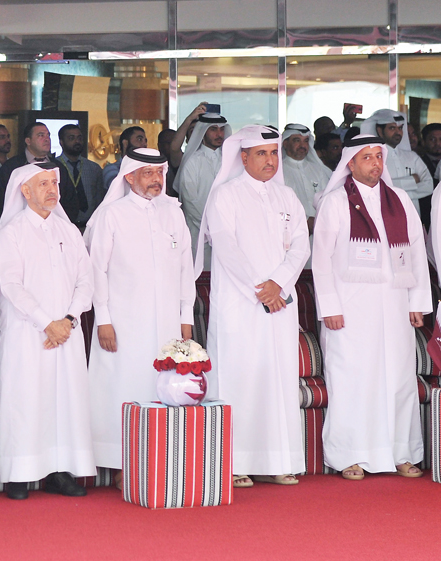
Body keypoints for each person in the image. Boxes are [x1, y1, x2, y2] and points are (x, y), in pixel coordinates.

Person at [197, 125, 310, 489]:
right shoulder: (225, 196)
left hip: (280, 302)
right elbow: (227, 248)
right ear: (242, 157)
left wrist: (279, 283)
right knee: (239, 377)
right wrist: (262, 289)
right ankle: (236, 462)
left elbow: (301, 246)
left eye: (273, 153)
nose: (270, 160)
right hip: (241, 305)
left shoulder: (287, 196)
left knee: (276, 379)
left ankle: (279, 460)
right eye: (261, 153)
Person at [314, 135, 431, 481]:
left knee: (398, 379)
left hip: (394, 307)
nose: (375, 164)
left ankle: (402, 453)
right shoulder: (335, 202)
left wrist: (417, 301)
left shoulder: (400, 201)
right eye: (366, 158)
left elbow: (416, 252)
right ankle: (348, 455)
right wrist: (330, 306)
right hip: (349, 312)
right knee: (353, 380)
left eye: (378, 157)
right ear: (350, 163)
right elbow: (320, 259)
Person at [84, 149, 194, 486]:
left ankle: (160, 461)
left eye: (159, 173)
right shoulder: (112, 215)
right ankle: (122, 464)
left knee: (161, 386)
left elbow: (185, 268)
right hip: (122, 322)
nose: (156, 180)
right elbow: (96, 269)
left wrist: (185, 318)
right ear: (129, 176)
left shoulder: (173, 214)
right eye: (147, 174)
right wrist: (103, 318)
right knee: (124, 385)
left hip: (166, 324)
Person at [0, 162, 95, 500]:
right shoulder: (13, 232)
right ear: (25, 191)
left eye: (55, 183)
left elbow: (85, 281)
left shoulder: (70, 232)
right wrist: (46, 323)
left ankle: (60, 472)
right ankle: (19, 475)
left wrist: (68, 319)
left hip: (67, 331)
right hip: (28, 332)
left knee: (65, 400)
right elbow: (11, 285)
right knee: (27, 398)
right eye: (44, 184)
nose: (52, 190)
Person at [0, 122, 75, 225]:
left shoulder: (58, 167)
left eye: (48, 135)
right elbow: (1, 202)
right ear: (28, 141)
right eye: (41, 135)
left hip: (54, 228)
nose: (47, 139)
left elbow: (71, 201)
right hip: (21, 229)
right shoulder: (12, 167)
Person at [175, 112, 230, 265]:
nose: (219, 134)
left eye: (221, 129)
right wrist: (212, 228)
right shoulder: (192, 162)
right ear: (202, 132)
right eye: (213, 129)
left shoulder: (230, 161)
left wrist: (225, 229)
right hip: (199, 233)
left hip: (227, 234)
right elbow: (190, 201)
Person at [360, 110, 433, 221]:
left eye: (400, 128)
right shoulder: (372, 159)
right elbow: (375, 188)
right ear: (380, 131)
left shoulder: (412, 157)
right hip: (385, 220)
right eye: (392, 128)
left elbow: (429, 186)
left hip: (413, 220)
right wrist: (411, 180)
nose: (398, 132)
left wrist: (395, 191)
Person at [282, 124, 330, 234]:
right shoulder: (279, 172)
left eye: (305, 141)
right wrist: (305, 220)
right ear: (285, 143)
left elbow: (328, 199)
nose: (302, 145)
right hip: (291, 232)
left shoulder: (318, 169)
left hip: (320, 230)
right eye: (297, 140)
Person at [57, 124, 105, 225]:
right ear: (61, 142)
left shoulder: (94, 168)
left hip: (90, 225)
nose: (77, 141)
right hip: (62, 225)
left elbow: (99, 200)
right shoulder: (55, 167)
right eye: (71, 138)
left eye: (79, 138)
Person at [101, 126, 148, 191]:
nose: (144, 144)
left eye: (145, 141)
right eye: (139, 139)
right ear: (125, 143)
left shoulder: (148, 168)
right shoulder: (111, 169)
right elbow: (119, 188)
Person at [158, 128, 178, 196]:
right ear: (159, 145)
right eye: (169, 143)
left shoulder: (186, 161)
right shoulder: (155, 165)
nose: (172, 146)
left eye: (174, 143)